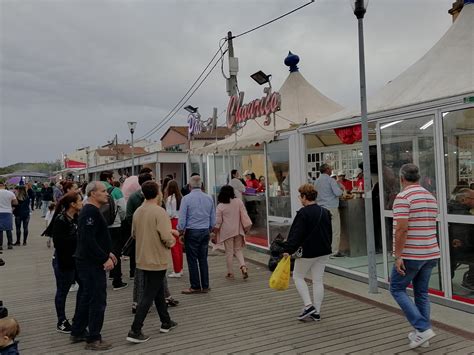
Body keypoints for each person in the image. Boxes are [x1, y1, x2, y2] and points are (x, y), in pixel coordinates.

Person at [390, 164, 440, 349]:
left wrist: (398, 255)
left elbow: (402, 229)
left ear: (401, 178)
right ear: (418, 177)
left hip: (412, 253)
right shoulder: (430, 196)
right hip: (431, 251)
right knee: (422, 293)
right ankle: (422, 336)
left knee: (396, 288)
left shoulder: (403, 197)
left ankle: (423, 328)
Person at [126, 181, 178, 343]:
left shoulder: (138, 212)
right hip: (157, 258)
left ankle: (166, 321)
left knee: (156, 290)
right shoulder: (159, 211)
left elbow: (134, 234)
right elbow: (165, 237)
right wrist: (173, 239)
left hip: (142, 258)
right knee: (149, 293)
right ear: (158, 193)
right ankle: (135, 329)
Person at [70, 181, 116, 351]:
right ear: (93, 194)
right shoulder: (90, 211)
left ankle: (78, 330)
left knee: (87, 296)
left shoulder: (91, 211)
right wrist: (104, 258)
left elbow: (94, 238)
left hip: (88, 261)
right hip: (90, 263)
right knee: (97, 299)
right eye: (103, 191)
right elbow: (88, 240)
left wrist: (108, 252)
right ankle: (93, 338)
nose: (107, 194)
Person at [282, 184, 332, 321]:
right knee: (318, 280)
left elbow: (296, 234)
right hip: (324, 251)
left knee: (298, 276)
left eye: (300, 196)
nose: (300, 199)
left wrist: (288, 250)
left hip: (308, 252)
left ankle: (308, 305)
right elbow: (329, 232)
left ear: (305, 197)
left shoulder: (303, 213)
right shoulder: (325, 211)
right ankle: (316, 311)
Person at [51, 192, 83, 334]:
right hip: (64, 261)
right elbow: (59, 244)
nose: (82, 203)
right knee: (62, 291)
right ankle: (61, 321)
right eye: (80, 200)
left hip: (76, 260)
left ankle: (78, 317)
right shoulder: (61, 220)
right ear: (73, 204)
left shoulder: (76, 217)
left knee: (84, 286)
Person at [178, 175, 215, 294]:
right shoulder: (209, 198)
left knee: (192, 259)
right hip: (205, 230)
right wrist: (210, 229)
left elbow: (182, 219)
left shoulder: (186, 199)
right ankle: (205, 285)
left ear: (189, 186)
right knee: (203, 259)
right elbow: (213, 218)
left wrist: (181, 231)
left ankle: (195, 285)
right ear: (201, 185)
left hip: (192, 231)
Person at [214, 185, 252, 279]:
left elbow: (218, 222)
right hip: (238, 230)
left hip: (227, 232)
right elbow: (244, 214)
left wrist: (214, 233)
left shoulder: (220, 206)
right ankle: (243, 266)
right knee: (238, 250)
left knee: (229, 252)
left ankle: (230, 272)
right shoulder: (238, 201)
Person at [99, 171, 127, 291]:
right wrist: (120, 220)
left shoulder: (94, 189)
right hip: (115, 225)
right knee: (115, 251)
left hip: (101, 226)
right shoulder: (116, 191)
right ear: (109, 179)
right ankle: (117, 280)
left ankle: (104, 278)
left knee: (102, 250)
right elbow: (123, 210)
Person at [447, 188, 474, 291]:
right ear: (464, 200)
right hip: (461, 250)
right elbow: (466, 238)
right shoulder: (464, 215)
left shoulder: (449, 209)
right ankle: (470, 281)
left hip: (451, 249)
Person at [315, 164, 343, 257]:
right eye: (330, 168)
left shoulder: (317, 181)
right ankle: (334, 251)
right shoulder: (331, 180)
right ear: (327, 170)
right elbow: (338, 193)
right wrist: (341, 188)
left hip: (321, 208)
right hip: (331, 207)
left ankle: (323, 249)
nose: (331, 170)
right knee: (335, 230)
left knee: (324, 230)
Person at [165, 180, 184, 278]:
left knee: (174, 247)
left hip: (173, 222)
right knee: (180, 247)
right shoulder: (181, 197)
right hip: (180, 222)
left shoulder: (169, 199)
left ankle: (176, 270)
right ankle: (180, 268)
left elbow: (169, 214)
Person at [0, 181, 17, 250]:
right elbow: (15, 203)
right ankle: (10, 244)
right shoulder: (10, 193)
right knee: (8, 229)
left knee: (0, 230)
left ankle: (0, 245)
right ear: (4, 185)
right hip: (8, 212)